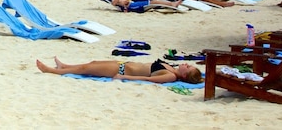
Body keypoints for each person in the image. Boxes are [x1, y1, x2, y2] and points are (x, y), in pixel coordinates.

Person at [36, 57, 201, 84]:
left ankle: (51, 70)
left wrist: (123, 76)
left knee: (86, 69)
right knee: (91, 63)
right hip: (122, 63)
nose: (186, 64)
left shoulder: (170, 76)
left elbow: (148, 80)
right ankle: (64, 66)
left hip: (120, 68)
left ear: (185, 74)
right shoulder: (172, 68)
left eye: (188, 67)